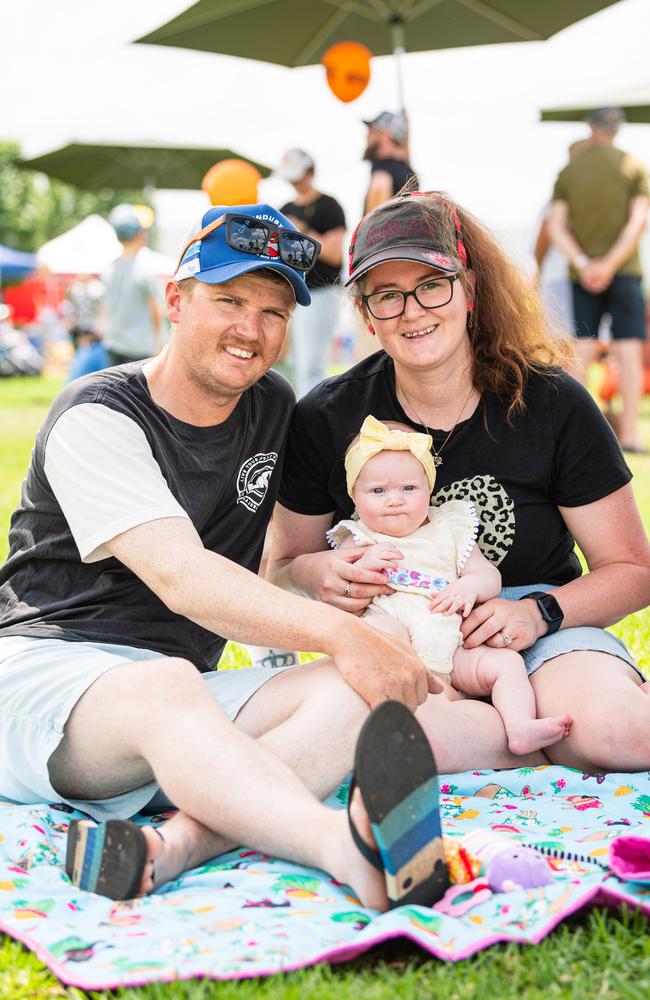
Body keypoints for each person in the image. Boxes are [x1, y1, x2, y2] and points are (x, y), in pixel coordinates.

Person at [0, 202, 440, 907]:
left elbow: (291, 546)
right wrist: (342, 633)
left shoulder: (270, 405)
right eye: (229, 300)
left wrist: (349, 596)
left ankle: (172, 846)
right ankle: (342, 848)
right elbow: (183, 578)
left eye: (273, 312)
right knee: (177, 685)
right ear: (175, 301)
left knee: (364, 682)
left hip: (180, 701)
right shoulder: (97, 413)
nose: (251, 329)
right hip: (41, 681)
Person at [268, 190, 650, 775]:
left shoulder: (550, 402)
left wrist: (539, 613)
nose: (412, 311)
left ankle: (514, 726)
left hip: (534, 626)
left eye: (431, 285)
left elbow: (633, 571)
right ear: (367, 315)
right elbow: (282, 564)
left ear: (468, 289)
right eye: (387, 296)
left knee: (621, 735)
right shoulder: (326, 416)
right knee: (397, 742)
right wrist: (317, 572)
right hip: (397, 634)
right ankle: (521, 733)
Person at [331, 415, 573, 755]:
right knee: (376, 633)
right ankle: (428, 713)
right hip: (399, 646)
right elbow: (338, 586)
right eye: (378, 491)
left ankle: (520, 726)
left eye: (409, 488)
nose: (394, 500)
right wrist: (364, 565)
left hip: (454, 643)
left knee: (506, 665)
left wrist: (471, 587)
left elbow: (489, 575)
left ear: (428, 488)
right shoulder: (357, 536)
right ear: (354, 495)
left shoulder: (449, 528)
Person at [548, 108, 650, 453]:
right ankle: (630, 435)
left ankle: (581, 433)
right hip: (625, 272)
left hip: (583, 273)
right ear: (617, 129)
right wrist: (610, 264)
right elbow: (638, 222)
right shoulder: (633, 166)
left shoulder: (570, 170)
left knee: (582, 351)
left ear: (591, 127)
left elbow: (557, 226)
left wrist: (585, 262)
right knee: (628, 350)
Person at [278, 148, 346, 396]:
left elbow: (335, 253)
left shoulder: (329, 206)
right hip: (292, 293)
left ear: (310, 172)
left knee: (311, 364)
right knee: (293, 362)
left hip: (320, 292)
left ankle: (311, 420)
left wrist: (303, 230)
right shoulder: (284, 207)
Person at [101, 204, 164, 366]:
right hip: (140, 350)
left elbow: (105, 309)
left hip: (113, 345)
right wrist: (159, 343)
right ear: (141, 235)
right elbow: (156, 311)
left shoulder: (109, 270)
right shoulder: (144, 271)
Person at [363, 111, 418, 213]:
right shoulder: (409, 173)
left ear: (387, 136)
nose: (367, 136)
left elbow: (379, 188)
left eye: (372, 132)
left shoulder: (382, 169)